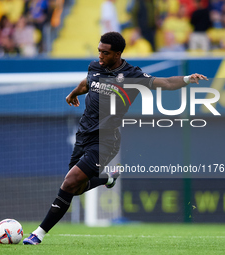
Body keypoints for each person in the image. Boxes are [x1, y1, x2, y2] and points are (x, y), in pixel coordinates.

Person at [22, 32, 208, 245]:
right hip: (83, 136)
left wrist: (187, 79)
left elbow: (165, 82)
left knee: (69, 182)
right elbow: (87, 83)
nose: (100, 55)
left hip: (105, 141)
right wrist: (73, 93)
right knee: (77, 188)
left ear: (118, 54)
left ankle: (38, 234)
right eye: (99, 51)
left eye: (105, 52)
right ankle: (107, 178)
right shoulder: (95, 67)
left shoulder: (132, 75)